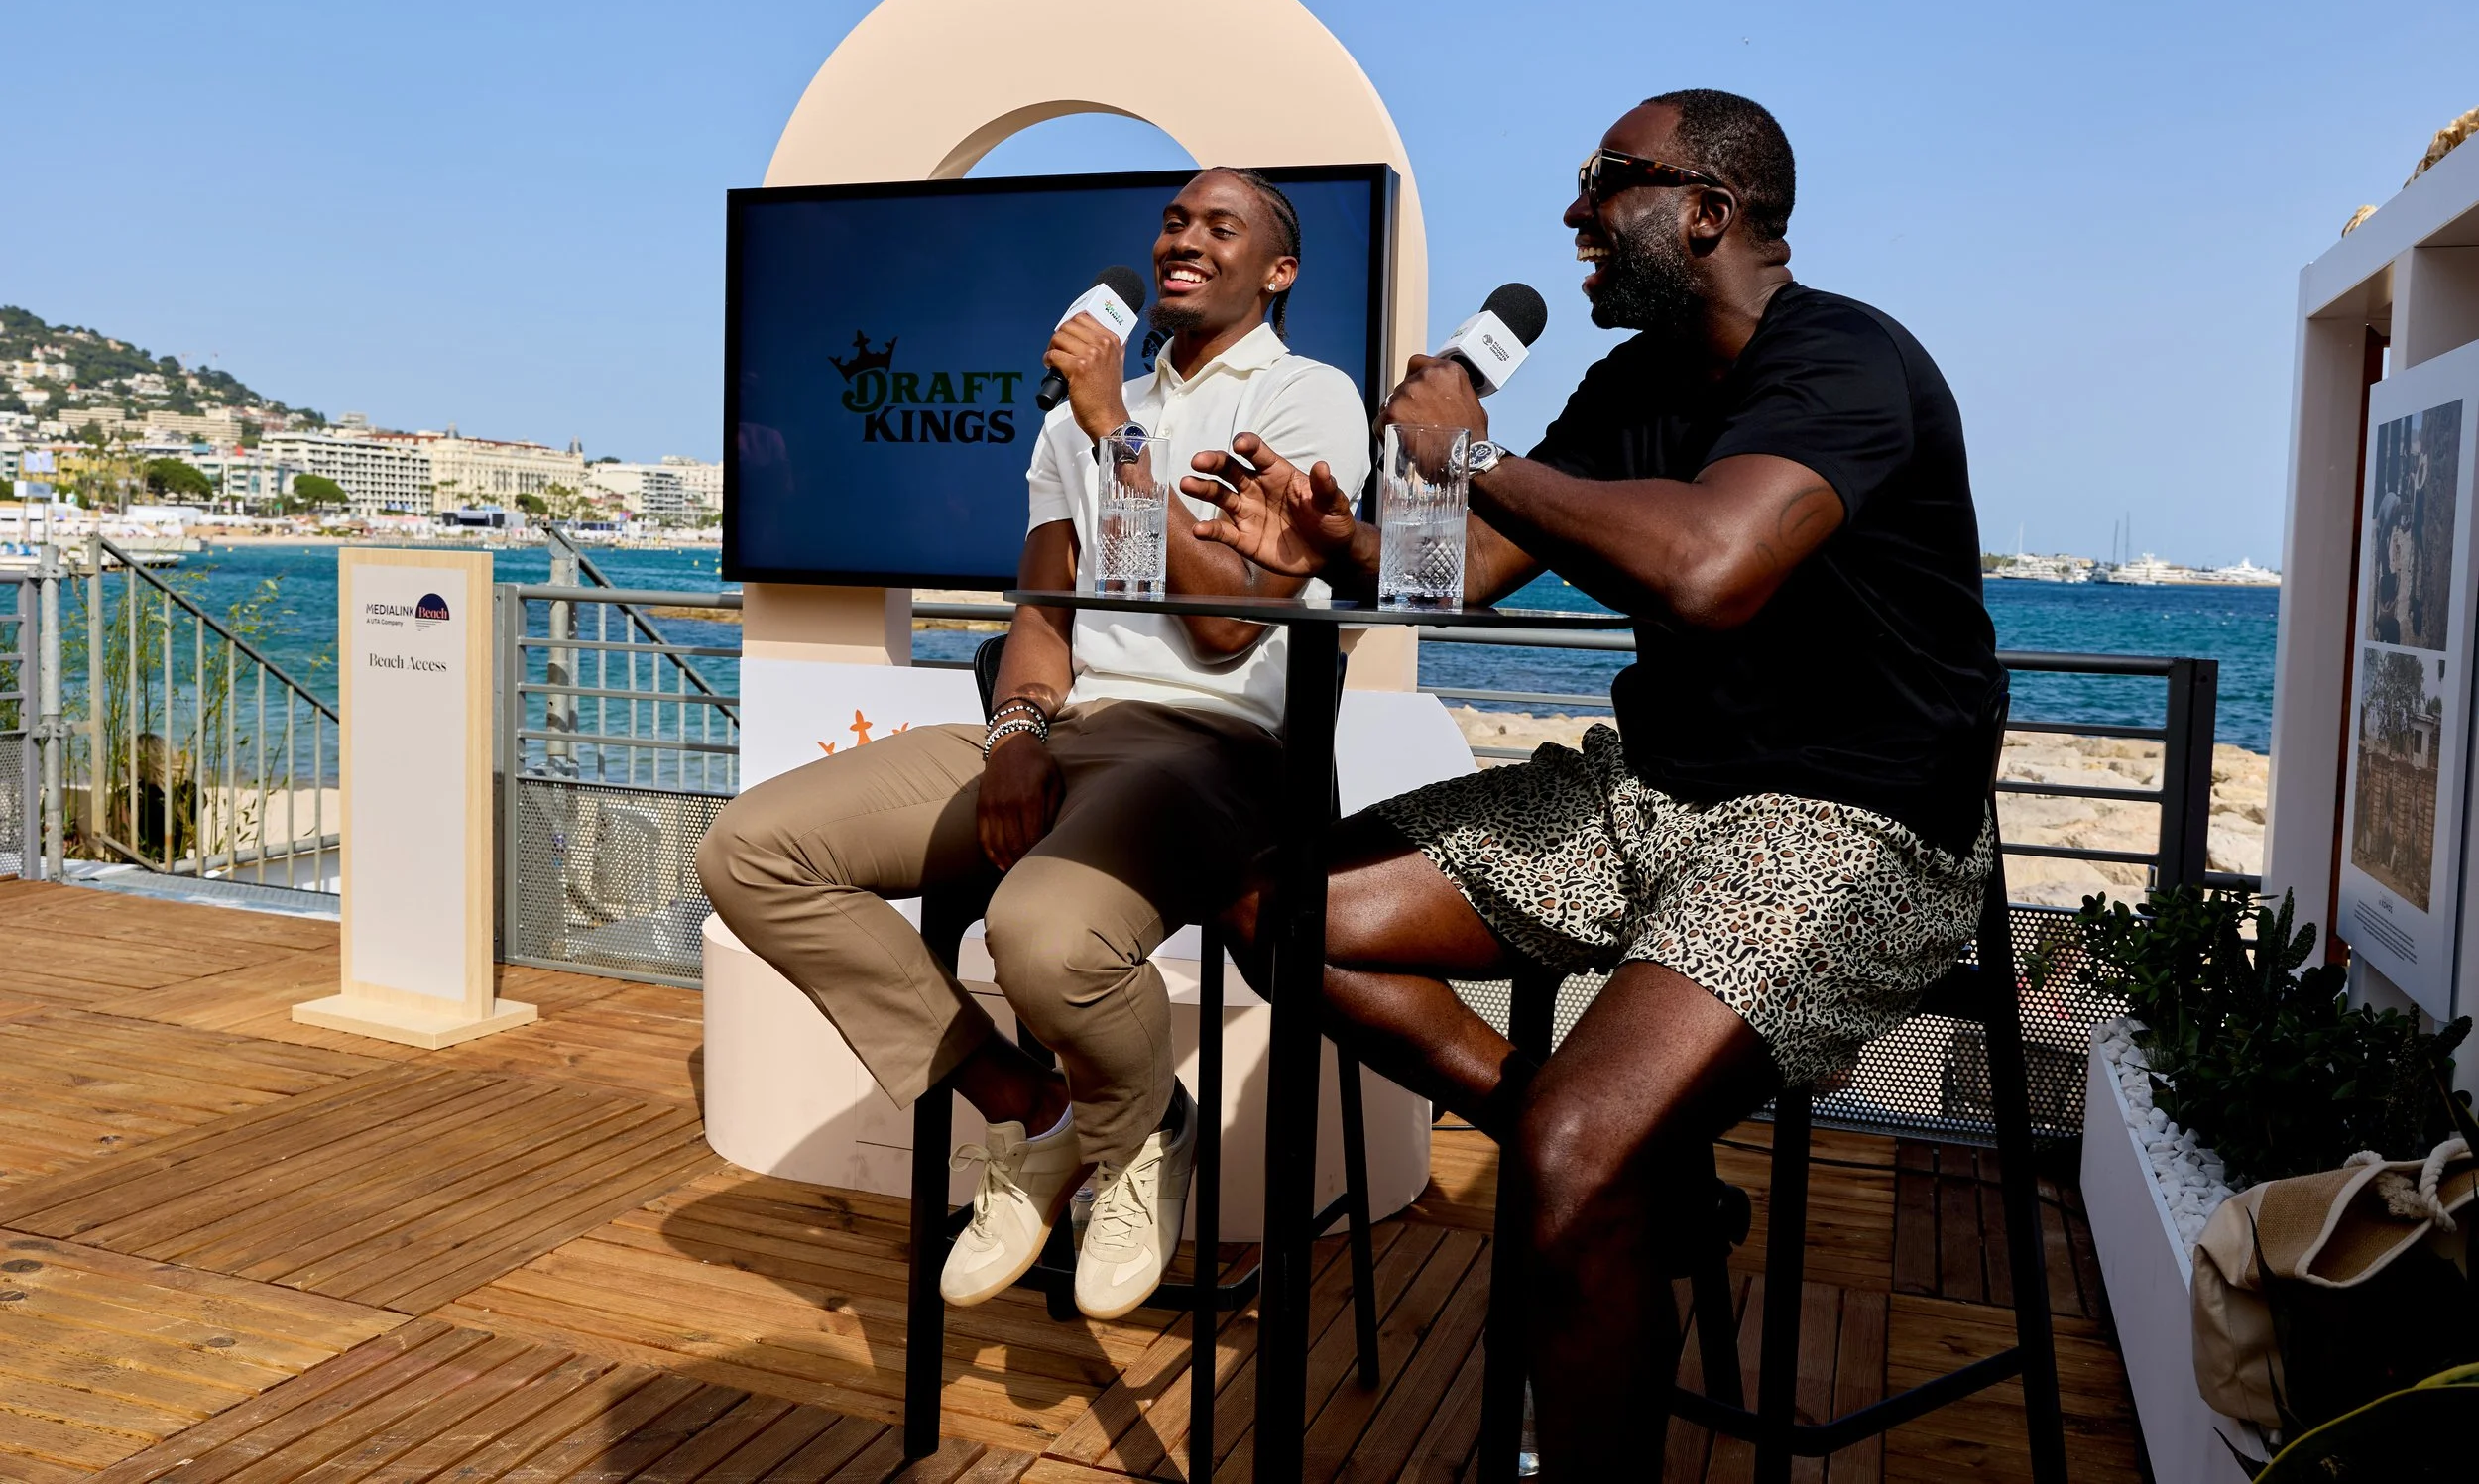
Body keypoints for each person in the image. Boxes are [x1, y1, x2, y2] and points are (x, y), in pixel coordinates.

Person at [1184, 91, 2004, 1473]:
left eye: (1604, 182)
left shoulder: (1847, 361)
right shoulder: (1633, 388)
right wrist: (1335, 542)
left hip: (1857, 828)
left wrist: (1476, 451)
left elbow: (1712, 566)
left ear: (1707, 210)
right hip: (1649, 794)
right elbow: (1464, 573)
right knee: (1281, 910)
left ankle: (1600, 1159)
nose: (1574, 214)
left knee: (1571, 1161)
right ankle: (1622, 1153)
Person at [696, 168, 1372, 1321]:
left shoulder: (1309, 398)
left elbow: (1221, 629)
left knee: (1040, 932)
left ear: (1278, 270)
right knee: (752, 849)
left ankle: (1143, 1129)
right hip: (1069, 724)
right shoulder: (1070, 422)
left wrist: (1117, 425)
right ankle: (1037, 1109)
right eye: (1173, 220)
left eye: (1222, 226)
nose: (1184, 240)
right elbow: (1043, 610)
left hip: (1215, 744)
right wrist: (1015, 730)